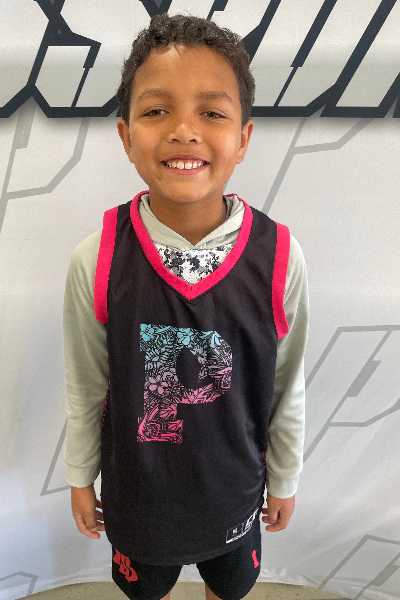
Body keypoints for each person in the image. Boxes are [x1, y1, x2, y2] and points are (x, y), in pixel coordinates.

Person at [63, 12, 308, 600]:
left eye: (212, 113)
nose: (183, 130)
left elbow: (286, 383)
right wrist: (79, 475)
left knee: (229, 590)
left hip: (235, 493)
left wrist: (285, 475)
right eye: (156, 111)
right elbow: (86, 383)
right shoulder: (98, 257)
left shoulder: (279, 256)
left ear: (243, 137)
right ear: (126, 135)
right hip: (139, 497)